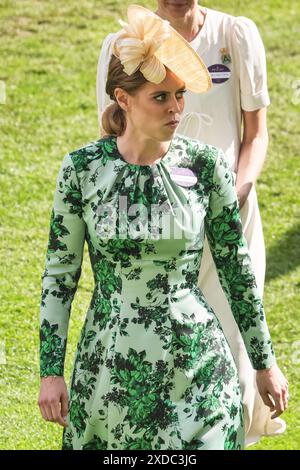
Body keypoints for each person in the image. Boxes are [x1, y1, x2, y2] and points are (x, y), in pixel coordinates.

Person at [38, 5, 288, 450]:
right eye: (161, 97)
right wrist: (51, 372)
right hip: (109, 373)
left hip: (199, 370)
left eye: (180, 95)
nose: (176, 109)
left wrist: (264, 363)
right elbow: (60, 277)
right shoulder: (81, 170)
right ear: (123, 98)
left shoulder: (207, 166)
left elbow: (236, 269)